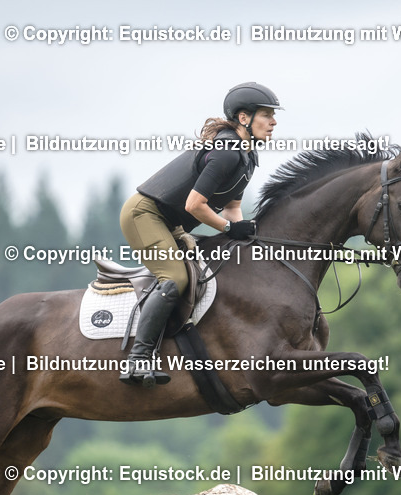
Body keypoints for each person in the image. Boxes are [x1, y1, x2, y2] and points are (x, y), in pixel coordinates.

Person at [118, 82, 281, 386]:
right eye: (267, 115)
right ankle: (137, 360)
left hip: (171, 221)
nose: (274, 122)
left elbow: (232, 209)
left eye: (273, 116)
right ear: (244, 118)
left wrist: (247, 237)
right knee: (176, 278)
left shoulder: (247, 157)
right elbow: (195, 204)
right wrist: (230, 229)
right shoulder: (227, 152)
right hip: (145, 214)